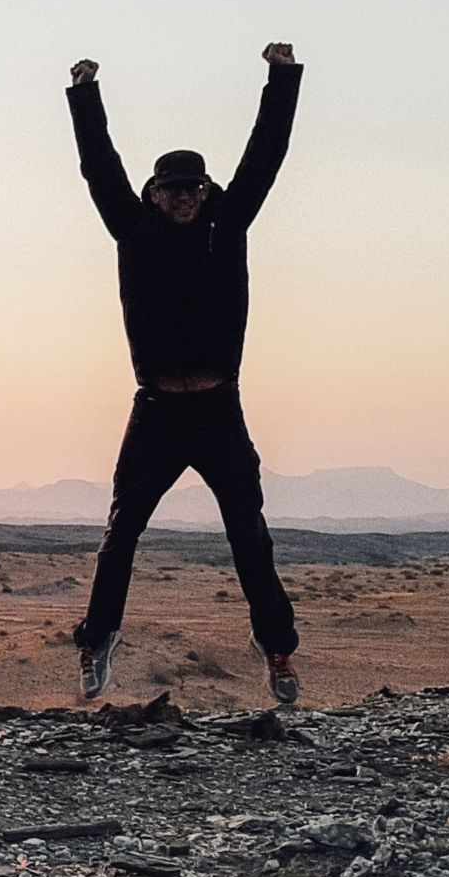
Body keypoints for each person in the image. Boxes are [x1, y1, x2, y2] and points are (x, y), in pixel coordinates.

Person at [66, 43, 305, 704]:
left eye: (194, 189)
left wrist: (281, 78)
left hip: (218, 407)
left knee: (249, 531)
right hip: (157, 409)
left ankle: (277, 648)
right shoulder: (133, 231)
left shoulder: (228, 227)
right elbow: (98, 169)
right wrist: (85, 93)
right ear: (154, 193)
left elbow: (266, 155)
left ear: (206, 192)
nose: (184, 198)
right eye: (172, 189)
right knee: (122, 530)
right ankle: (97, 639)